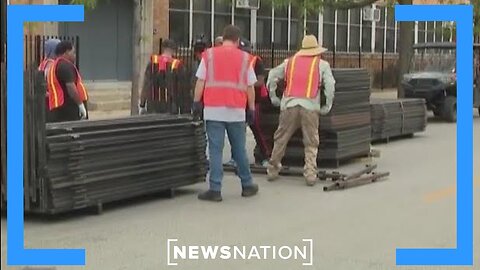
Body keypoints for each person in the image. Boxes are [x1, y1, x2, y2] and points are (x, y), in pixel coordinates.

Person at [193, 25, 259, 202]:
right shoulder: (245, 58)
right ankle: (247, 185)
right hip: (236, 111)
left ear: (223, 37)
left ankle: (215, 189)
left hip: (213, 110)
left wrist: (196, 102)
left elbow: (200, 81)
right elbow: (250, 87)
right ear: (238, 40)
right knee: (239, 150)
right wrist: (251, 108)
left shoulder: (209, 55)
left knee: (215, 150)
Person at [266, 35, 335, 186]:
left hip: (289, 106)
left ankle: (273, 169)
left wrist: (274, 97)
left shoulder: (289, 62)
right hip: (310, 107)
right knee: (311, 142)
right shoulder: (322, 64)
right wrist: (327, 105)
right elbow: (330, 85)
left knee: (281, 139)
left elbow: (271, 76)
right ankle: (310, 173)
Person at [225, 38, 271, 168]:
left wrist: (244, 83)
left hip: (254, 100)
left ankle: (265, 156)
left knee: (256, 128)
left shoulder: (256, 61)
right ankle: (236, 157)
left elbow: (260, 81)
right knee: (237, 130)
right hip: (239, 100)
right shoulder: (234, 62)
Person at [46, 40, 88, 122]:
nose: (75, 55)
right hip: (69, 110)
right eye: (73, 52)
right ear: (66, 52)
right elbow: (71, 87)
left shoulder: (54, 65)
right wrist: (80, 105)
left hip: (58, 107)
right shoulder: (65, 65)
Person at [139, 39, 182, 115]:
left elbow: (146, 84)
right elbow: (180, 87)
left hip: (153, 103)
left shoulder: (153, 63)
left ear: (163, 48)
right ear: (172, 50)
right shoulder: (176, 64)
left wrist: (142, 103)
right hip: (169, 103)